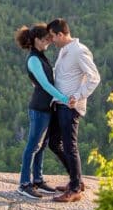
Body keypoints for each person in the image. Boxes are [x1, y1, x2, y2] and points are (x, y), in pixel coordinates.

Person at [14, 23, 72, 199]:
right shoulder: (33, 59)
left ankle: (38, 180)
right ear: (36, 40)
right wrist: (64, 99)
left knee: (41, 146)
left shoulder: (40, 56)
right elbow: (45, 85)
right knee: (33, 146)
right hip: (39, 108)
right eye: (46, 39)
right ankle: (24, 184)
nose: (49, 41)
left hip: (46, 108)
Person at [46, 18, 101, 203]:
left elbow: (94, 77)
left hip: (70, 107)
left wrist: (77, 96)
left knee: (70, 146)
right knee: (54, 143)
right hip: (59, 105)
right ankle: (76, 181)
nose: (52, 40)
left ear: (60, 34)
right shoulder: (64, 51)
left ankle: (76, 188)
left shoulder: (79, 51)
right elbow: (62, 75)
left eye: (53, 36)